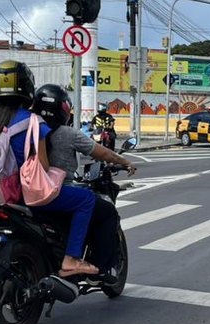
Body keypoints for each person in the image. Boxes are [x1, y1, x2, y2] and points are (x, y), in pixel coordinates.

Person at [0, 61, 99, 277]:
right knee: (86, 199)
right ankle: (71, 259)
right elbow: (41, 166)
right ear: (27, 87)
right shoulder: (33, 121)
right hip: (22, 194)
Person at [33, 84, 136, 275]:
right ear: (62, 109)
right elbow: (103, 152)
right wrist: (125, 162)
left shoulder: (27, 128)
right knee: (106, 212)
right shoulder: (66, 133)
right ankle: (99, 268)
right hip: (53, 192)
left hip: (25, 192)